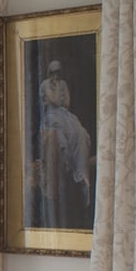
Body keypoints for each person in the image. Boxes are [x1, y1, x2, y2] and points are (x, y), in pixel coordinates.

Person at [38, 60, 93, 208]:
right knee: (62, 134)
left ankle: (82, 176)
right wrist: (58, 97)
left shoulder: (63, 84)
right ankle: (70, 167)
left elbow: (66, 103)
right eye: (54, 72)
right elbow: (55, 101)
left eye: (58, 72)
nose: (56, 75)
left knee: (80, 132)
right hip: (51, 115)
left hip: (64, 113)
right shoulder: (45, 84)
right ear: (50, 73)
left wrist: (61, 97)